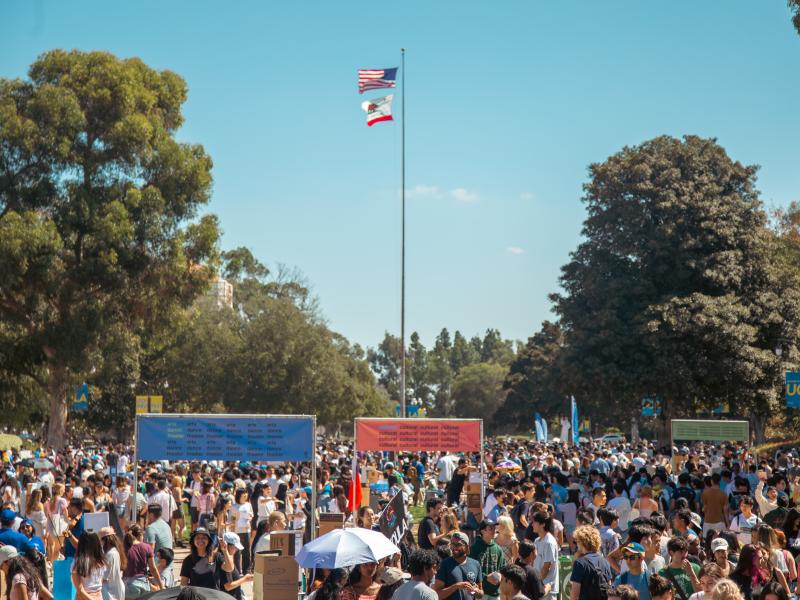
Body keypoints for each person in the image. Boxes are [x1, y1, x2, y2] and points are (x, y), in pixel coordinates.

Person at [433, 531, 483, 600]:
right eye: (452, 544)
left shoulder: (475, 564)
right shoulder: (444, 564)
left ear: (467, 547)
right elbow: (437, 594)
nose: (455, 547)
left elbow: (481, 594)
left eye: (458, 544)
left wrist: (476, 592)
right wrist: (456, 586)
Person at [569, 525, 614, 600]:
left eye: (576, 541)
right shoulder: (605, 561)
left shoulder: (580, 563)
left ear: (581, 542)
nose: (576, 544)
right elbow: (609, 589)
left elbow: (574, 595)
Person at [470, 520, 506, 600]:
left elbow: (503, 568)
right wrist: (485, 578)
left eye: (494, 528)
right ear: (482, 531)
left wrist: (500, 575)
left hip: (495, 592)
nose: (494, 531)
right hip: (480, 592)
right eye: (491, 528)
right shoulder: (474, 548)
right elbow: (470, 571)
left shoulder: (498, 549)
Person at [123, 524, 162, 598]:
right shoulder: (147, 547)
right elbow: (153, 569)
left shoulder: (125, 548)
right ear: (140, 535)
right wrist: (161, 585)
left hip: (130, 585)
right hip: (144, 585)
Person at [72, 532, 107, 600]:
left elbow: (80, 590)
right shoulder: (101, 561)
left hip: (84, 597)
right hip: (97, 596)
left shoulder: (77, 562)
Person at [532, 513, 559, 600]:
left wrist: (536, 583)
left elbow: (547, 567)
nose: (532, 524)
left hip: (546, 589)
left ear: (543, 524)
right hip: (539, 588)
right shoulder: (537, 540)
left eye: (534, 522)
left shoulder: (549, 542)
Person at [219, 532, 252, 600]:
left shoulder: (228, 557)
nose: (236, 550)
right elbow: (228, 586)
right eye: (235, 547)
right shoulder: (223, 560)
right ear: (227, 545)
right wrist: (245, 579)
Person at [99, 526, 126, 600]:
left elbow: (105, 577)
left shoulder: (110, 554)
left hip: (110, 593)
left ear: (104, 540)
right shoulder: (115, 551)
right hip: (116, 590)